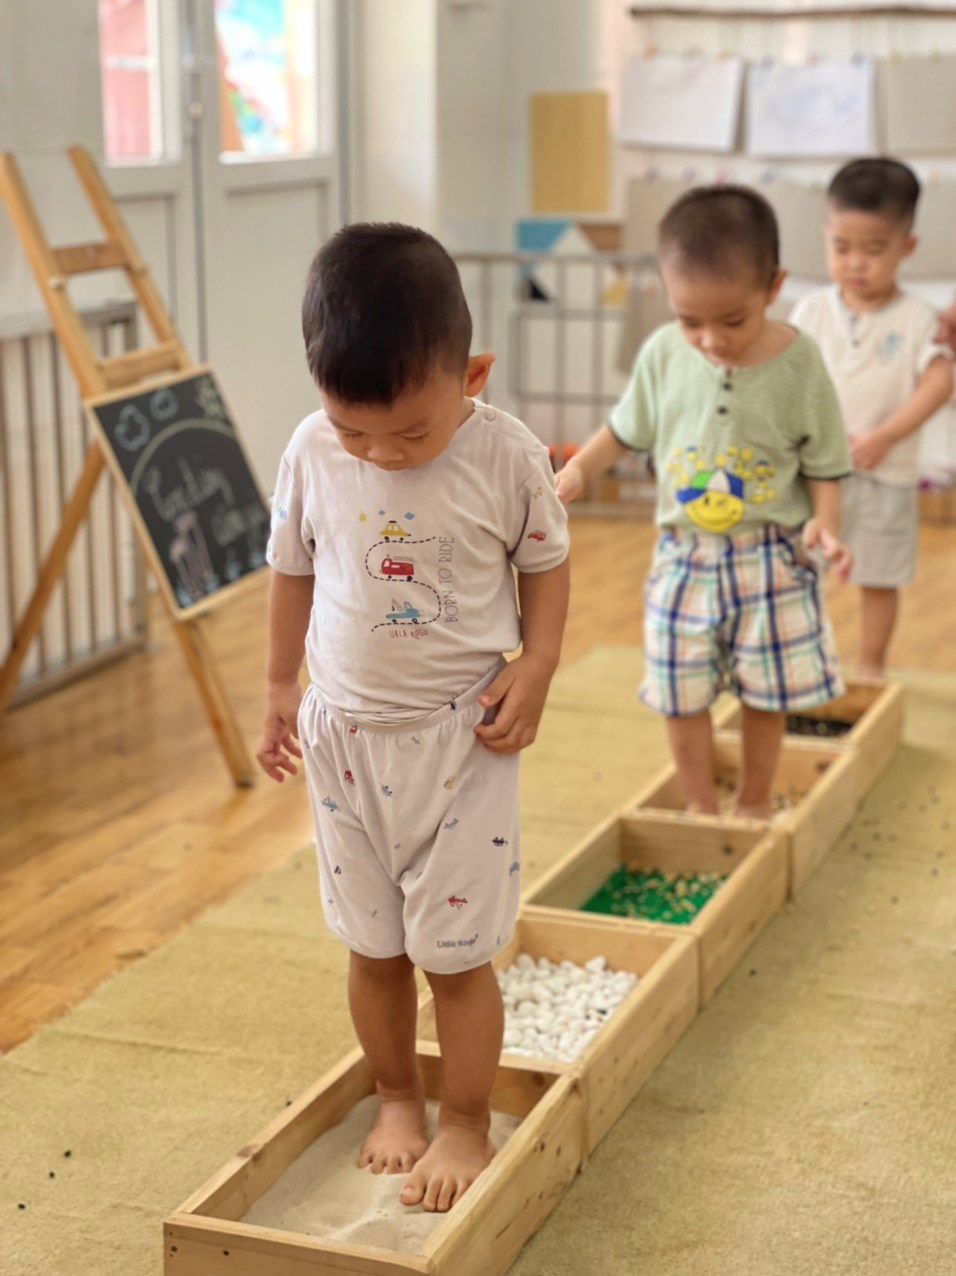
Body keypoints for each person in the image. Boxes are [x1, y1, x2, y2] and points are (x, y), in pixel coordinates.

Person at [257, 224, 570, 1212]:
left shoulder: (505, 455)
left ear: (471, 376)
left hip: (461, 737)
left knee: (455, 953)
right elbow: (291, 569)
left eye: (410, 435)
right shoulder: (312, 449)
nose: (380, 455)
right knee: (374, 944)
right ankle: (397, 1095)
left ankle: (466, 1118)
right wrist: (277, 685)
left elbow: (545, 563)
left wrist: (538, 662)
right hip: (342, 737)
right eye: (355, 430)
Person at [557, 186, 851, 820]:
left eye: (732, 321)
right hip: (683, 557)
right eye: (690, 320)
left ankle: (753, 801)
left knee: (767, 692)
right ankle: (699, 806)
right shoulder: (664, 353)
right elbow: (625, 431)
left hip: (771, 558)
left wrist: (826, 527)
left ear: (773, 287)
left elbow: (826, 465)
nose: (711, 339)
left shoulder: (801, 364)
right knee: (678, 689)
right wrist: (578, 470)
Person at [791, 159, 954, 680]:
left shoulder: (919, 318)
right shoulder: (811, 311)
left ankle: (870, 666)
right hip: (817, 477)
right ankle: (803, 661)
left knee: (880, 577)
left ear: (907, 247)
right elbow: (789, 378)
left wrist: (886, 435)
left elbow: (939, 383)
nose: (855, 263)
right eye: (841, 248)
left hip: (887, 475)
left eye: (874, 249)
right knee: (803, 570)